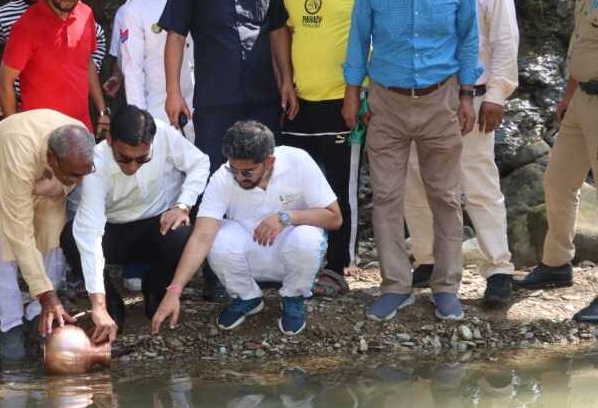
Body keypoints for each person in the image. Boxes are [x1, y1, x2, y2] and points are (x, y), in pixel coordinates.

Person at [343, 0, 482, 322]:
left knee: (445, 197)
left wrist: (466, 95)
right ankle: (395, 286)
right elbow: (359, 39)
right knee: (386, 197)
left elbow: (468, 38)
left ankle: (446, 287)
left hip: (441, 98)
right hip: (385, 102)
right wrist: (351, 93)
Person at [151, 121, 342, 336]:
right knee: (216, 236)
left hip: (291, 249)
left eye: (248, 172)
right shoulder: (223, 177)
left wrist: (287, 217)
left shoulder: (297, 160)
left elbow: (334, 218)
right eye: (235, 169)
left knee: (308, 237)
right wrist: (174, 290)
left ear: (269, 161)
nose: (240, 177)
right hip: (246, 253)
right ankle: (246, 296)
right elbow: (201, 236)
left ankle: (293, 296)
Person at [405, 0, 520, 308]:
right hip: (421, 94)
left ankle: (498, 268)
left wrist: (497, 95)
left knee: (479, 183)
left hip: (476, 96)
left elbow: (505, 40)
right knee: (415, 178)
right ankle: (428, 258)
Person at [62, 106, 210, 343]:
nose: (132, 166)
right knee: (71, 237)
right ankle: (111, 303)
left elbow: (200, 163)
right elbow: (89, 235)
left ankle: (155, 288)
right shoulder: (96, 163)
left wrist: (183, 205)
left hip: (155, 225)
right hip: (111, 232)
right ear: (109, 139)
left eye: (142, 159)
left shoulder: (162, 133)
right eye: (123, 158)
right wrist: (97, 305)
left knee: (182, 232)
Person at [0, 109, 95, 360]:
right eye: (74, 175)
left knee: (52, 236)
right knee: (1, 246)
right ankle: (11, 327)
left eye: (83, 174)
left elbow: (74, 178)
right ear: (51, 158)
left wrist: (60, 183)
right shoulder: (20, 151)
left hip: (48, 180)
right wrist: (47, 294)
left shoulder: (78, 139)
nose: (79, 181)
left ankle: (39, 316)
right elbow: (19, 232)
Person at [516, 0, 598, 323]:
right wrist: (567, 96)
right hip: (580, 100)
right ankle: (556, 264)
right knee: (558, 179)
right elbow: (581, 49)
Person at [158, 0, 298, 174]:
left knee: (269, 173)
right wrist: (173, 93)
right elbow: (176, 36)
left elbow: (278, 29)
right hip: (215, 103)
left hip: (263, 99)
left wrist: (286, 80)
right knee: (211, 173)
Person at [280, 0, 361, 296]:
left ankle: (338, 266)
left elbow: (367, 39)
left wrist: (356, 94)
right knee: (295, 188)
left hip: (342, 100)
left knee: (341, 188)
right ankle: (297, 261)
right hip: (299, 102)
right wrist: (286, 81)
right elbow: (284, 33)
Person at [0, 0, 109, 135]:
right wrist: (15, 132)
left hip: (81, 130)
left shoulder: (86, 14)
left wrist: (102, 111)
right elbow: (4, 82)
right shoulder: (27, 25)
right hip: (40, 134)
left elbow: (87, 63)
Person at [0, 0, 109, 94]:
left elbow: (97, 37)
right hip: (23, 104)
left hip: (70, 101)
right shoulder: (6, 14)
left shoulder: (71, 8)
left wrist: (81, 75)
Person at [119, 0, 195, 138]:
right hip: (159, 111)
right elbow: (133, 71)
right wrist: (140, 122)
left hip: (198, 106)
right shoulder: (134, 9)